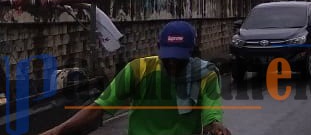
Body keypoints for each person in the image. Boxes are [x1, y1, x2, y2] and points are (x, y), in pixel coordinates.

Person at [40, 20, 231, 135]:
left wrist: (215, 127)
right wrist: (58, 130)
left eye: (178, 59)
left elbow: (211, 116)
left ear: (192, 52)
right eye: (168, 58)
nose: (172, 63)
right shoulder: (138, 69)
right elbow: (100, 107)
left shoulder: (206, 75)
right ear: (158, 48)